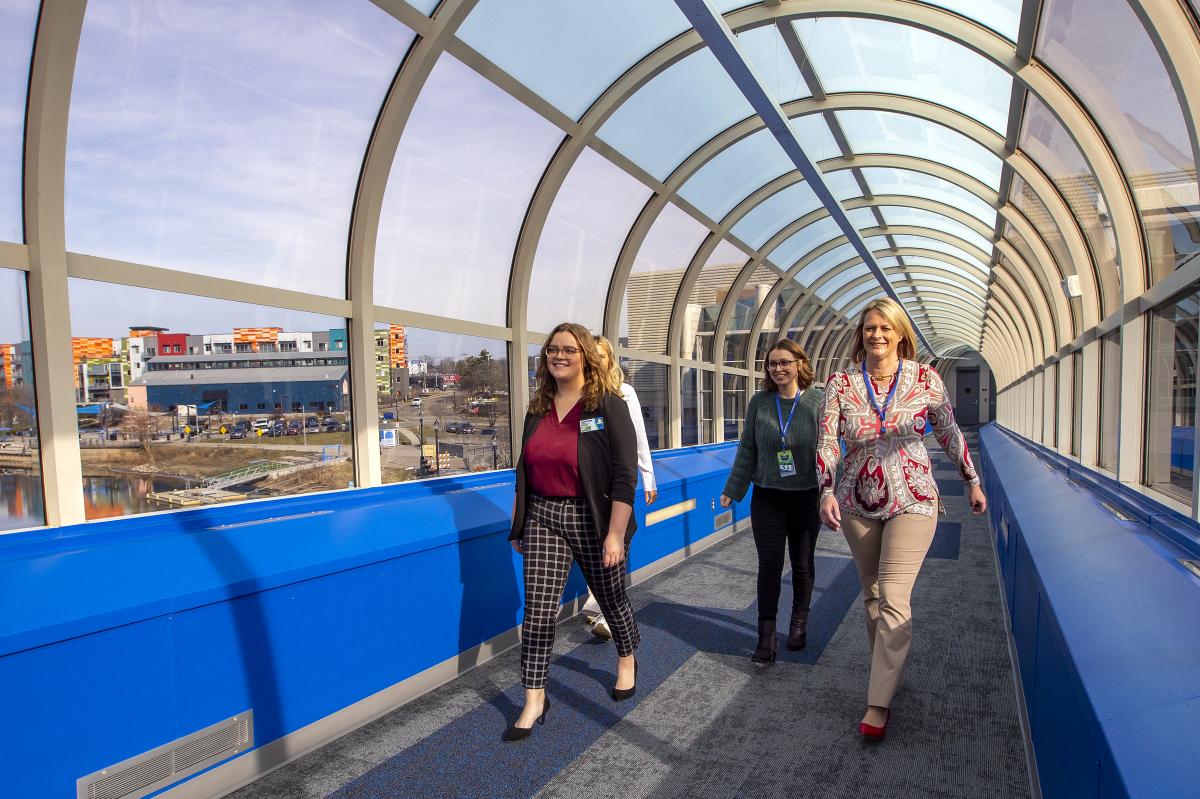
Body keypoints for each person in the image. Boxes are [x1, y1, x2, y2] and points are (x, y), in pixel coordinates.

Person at [816, 297, 986, 740]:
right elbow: (828, 441)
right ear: (861, 335)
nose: (877, 335)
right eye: (870, 328)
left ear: (900, 334)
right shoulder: (841, 383)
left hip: (914, 496)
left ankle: (877, 702)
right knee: (872, 594)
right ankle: (889, 674)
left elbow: (948, 430)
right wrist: (826, 489)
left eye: (885, 328)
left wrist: (971, 479)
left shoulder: (925, 378)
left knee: (893, 593)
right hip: (857, 501)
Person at [505, 322, 640, 742]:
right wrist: (519, 522)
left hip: (593, 517)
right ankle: (534, 698)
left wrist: (615, 534)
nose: (559, 356)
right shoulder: (537, 409)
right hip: (544, 516)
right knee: (538, 612)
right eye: (552, 350)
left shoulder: (608, 405)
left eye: (568, 350)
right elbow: (524, 471)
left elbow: (625, 475)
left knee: (611, 597)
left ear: (586, 356)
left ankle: (626, 657)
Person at [719, 339, 824, 663]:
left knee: (802, 564)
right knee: (769, 565)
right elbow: (747, 448)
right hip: (768, 497)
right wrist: (733, 488)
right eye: (773, 363)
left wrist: (834, 491)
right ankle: (766, 637)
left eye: (785, 362)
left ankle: (798, 624)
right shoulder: (760, 403)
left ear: (800, 364)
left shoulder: (817, 402)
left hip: (807, 496)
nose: (778, 369)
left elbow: (830, 450)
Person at [581, 335, 657, 640]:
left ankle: (603, 610)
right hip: (585, 484)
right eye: (592, 355)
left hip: (616, 483)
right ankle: (599, 609)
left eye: (602, 356)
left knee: (614, 545)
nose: (596, 361)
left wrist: (649, 477)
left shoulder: (624, 392)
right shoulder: (578, 395)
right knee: (590, 547)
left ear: (610, 360)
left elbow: (638, 437)